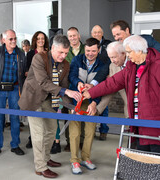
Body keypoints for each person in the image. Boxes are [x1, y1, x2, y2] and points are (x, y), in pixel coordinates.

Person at [83, 35, 160, 180]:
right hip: (140, 127)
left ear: (140, 50)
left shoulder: (158, 66)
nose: (127, 55)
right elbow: (112, 83)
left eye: (129, 52)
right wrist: (91, 92)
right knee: (143, 167)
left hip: (159, 129)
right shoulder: (131, 68)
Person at [18, 34, 82, 178]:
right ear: (52, 48)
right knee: (38, 134)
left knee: (52, 130)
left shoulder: (65, 64)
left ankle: (45, 158)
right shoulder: (39, 58)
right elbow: (43, 83)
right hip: (33, 100)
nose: (63, 56)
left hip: (49, 99)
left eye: (66, 53)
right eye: (60, 52)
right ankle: (40, 167)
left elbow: (64, 88)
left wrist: (72, 108)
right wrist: (67, 91)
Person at [68, 37, 106, 174]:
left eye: (94, 51)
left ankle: (86, 158)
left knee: (90, 131)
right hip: (76, 101)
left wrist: (95, 102)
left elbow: (102, 86)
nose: (90, 53)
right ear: (85, 49)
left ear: (99, 50)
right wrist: (78, 83)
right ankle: (75, 161)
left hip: (92, 102)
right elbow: (71, 76)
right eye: (88, 50)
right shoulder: (76, 60)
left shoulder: (103, 65)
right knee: (75, 132)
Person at [0, 29, 26, 158]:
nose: (14, 41)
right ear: (4, 40)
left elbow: (23, 73)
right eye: (10, 39)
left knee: (15, 117)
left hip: (15, 89)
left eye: (15, 38)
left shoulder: (20, 54)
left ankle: (15, 145)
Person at [62, 27, 86, 152]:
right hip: (68, 87)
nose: (72, 38)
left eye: (74, 36)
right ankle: (69, 142)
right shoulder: (65, 51)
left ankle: (80, 141)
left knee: (80, 113)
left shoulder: (85, 49)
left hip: (82, 87)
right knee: (68, 114)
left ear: (79, 36)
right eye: (70, 36)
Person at [25, 31, 49, 149]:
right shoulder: (30, 54)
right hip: (33, 89)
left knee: (47, 120)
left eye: (43, 38)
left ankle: (47, 142)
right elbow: (26, 71)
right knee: (34, 119)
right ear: (35, 40)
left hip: (46, 90)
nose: (41, 40)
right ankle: (32, 139)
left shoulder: (48, 54)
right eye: (38, 38)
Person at [95, 41, 128, 118]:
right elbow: (111, 89)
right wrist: (97, 109)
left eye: (114, 57)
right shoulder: (112, 66)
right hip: (129, 112)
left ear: (123, 53)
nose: (112, 61)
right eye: (110, 57)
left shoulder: (134, 61)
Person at [90, 25, 111, 141]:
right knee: (92, 103)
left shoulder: (108, 44)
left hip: (105, 78)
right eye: (94, 32)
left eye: (99, 32)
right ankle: (91, 129)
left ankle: (103, 130)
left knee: (104, 105)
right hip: (92, 79)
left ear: (102, 33)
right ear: (91, 34)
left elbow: (110, 61)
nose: (97, 34)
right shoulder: (88, 44)